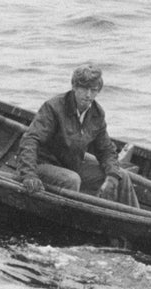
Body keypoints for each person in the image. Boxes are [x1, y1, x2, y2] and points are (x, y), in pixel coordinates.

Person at [17, 63, 137, 205]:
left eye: (93, 90)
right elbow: (30, 140)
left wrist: (112, 176)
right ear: (74, 87)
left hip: (71, 164)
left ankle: (138, 220)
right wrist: (29, 174)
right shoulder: (53, 107)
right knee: (72, 179)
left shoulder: (96, 114)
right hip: (41, 164)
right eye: (84, 89)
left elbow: (105, 150)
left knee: (121, 176)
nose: (88, 95)